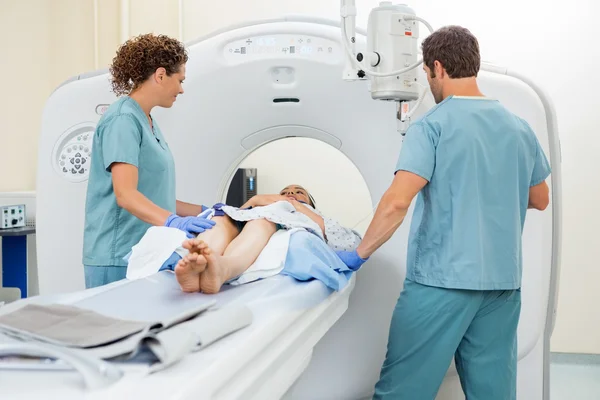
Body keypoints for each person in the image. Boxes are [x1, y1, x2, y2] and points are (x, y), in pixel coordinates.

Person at [335, 26, 551, 399]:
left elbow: (397, 202)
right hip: (501, 285)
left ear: (437, 68)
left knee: (404, 390)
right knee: (493, 393)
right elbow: (540, 197)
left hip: (441, 284)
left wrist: (357, 255)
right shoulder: (518, 128)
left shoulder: (432, 126)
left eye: (426, 75)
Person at [82, 34, 215, 289]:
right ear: (161, 75)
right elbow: (126, 195)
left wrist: (204, 211)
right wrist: (174, 221)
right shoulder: (123, 120)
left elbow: (153, 196)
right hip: (116, 255)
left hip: (144, 251)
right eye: (180, 80)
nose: (181, 89)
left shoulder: (147, 121)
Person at [172, 184, 361, 293]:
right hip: (246, 215)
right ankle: (200, 264)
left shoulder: (313, 215)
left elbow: (348, 243)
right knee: (221, 218)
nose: (290, 194)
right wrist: (255, 201)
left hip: (266, 219)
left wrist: (293, 205)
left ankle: (223, 267)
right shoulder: (261, 203)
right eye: (285, 192)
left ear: (311, 203)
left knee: (263, 220)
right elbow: (239, 213)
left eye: (298, 192)